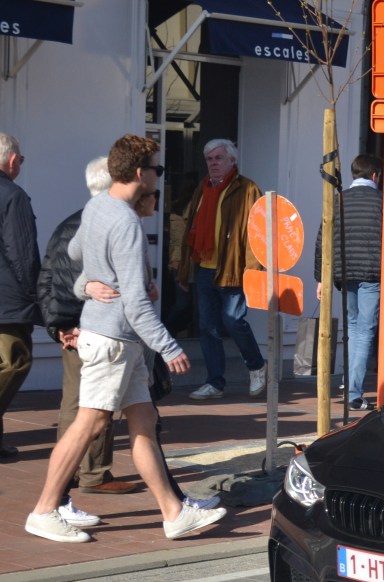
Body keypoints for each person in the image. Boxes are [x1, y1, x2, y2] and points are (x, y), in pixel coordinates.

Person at [26, 134, 225, 543]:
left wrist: (88, 285)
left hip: (117, 339)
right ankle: (45, 509)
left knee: (143, 421)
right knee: (91, 421)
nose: (159, 177)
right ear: (140, 173)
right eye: (158, 169)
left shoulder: (97, 207)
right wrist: (169, 347)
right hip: (114, 339)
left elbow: (77, 253)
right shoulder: (126, 221)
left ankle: (173, 512)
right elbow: (134, 301)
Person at [36, 156, 140, 527]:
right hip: (96, 329)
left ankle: (67, 486)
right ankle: (88, 477)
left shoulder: (68, 224)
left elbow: (48, 278)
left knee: (75, 405)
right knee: (97, 411)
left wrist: (57, 326)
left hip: (72, 329)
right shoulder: (108, 224)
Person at [312, 154, 384, 411]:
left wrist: (320, 278)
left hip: (344, 273)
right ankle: (354, 391)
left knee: (354, 329)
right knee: (366, 331)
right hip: (373, 273)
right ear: (375, 175)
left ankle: (351, 384)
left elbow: (322, 239)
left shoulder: (338, 200)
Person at [175, 139, 267, 401]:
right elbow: (189, 230)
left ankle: (256, 365)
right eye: (209, 159)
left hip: (233, 268)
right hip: (205, 268)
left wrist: (253, 271)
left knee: (233, 320)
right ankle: (215, 382)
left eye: (218, 158)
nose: (213, 163)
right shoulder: (201, 189)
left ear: (231, 161)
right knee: (208, 327)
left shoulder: (247, 189)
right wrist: (184, 269)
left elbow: (257, 232)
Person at [0, 131, 41, 461]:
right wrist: (36, 295)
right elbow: (23, 253)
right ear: (12, 160)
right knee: (15, 361)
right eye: (22, 160)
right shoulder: (13, 195)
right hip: (7, 303)